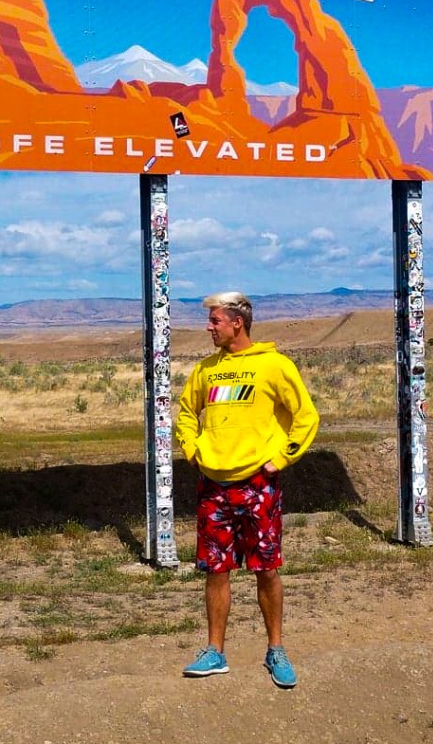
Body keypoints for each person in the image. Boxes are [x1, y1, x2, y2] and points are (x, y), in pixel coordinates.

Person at [175, 291, 319, 689]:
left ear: (237, 323)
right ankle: (214, 652)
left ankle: (276, 650)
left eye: (215, 321)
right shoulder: (206, 370)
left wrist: (282, 457)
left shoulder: (274, 365)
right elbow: (186, 413)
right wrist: (192, 450)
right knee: (216, 570)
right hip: (214, 485)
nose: (208, 327)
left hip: (258, 485)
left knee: (266, 569)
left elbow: (306, 416)